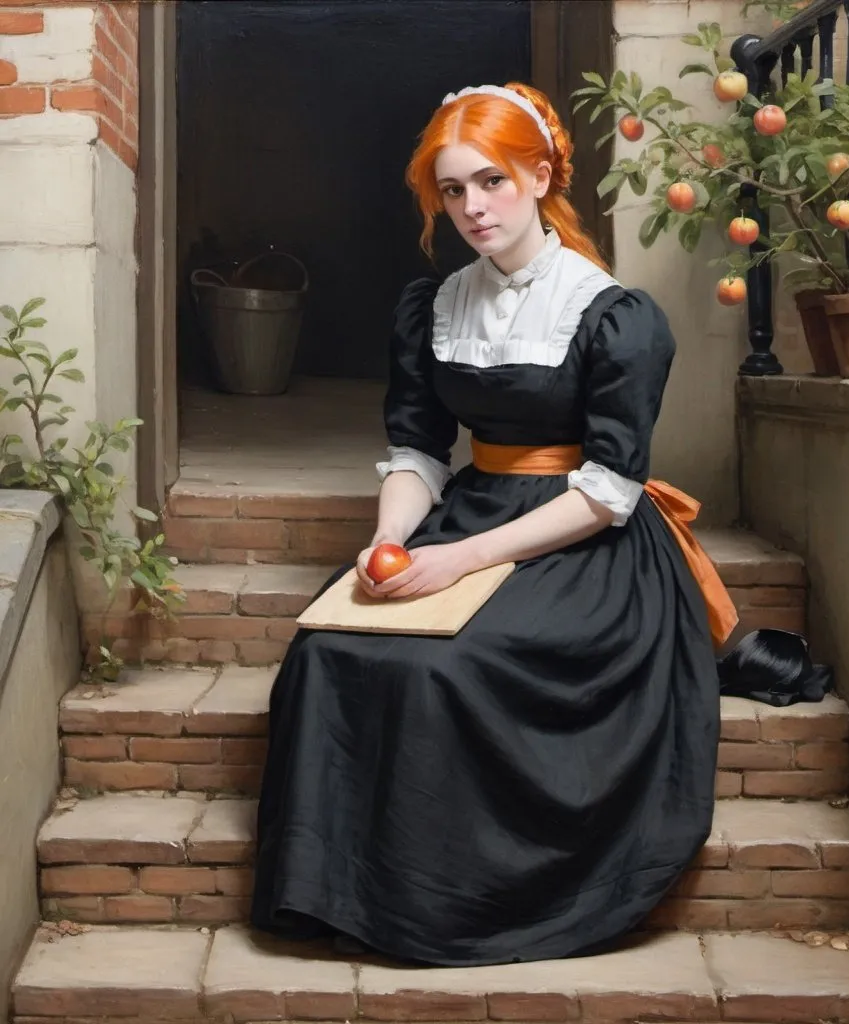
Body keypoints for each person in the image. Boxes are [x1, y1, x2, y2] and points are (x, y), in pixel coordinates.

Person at [251, 81, 741, 967]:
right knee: (328, 647)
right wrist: (389, 542)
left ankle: (455, 909)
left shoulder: (616, 317)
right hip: (471, 508)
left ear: (541, 174)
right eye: (452, 190)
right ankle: (343, 896)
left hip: (581, 538)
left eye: (492, 182)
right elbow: (418, 450)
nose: (472, 207)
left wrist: (460, 563)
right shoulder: (432, 307)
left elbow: (608, 492)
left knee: (455, 664)